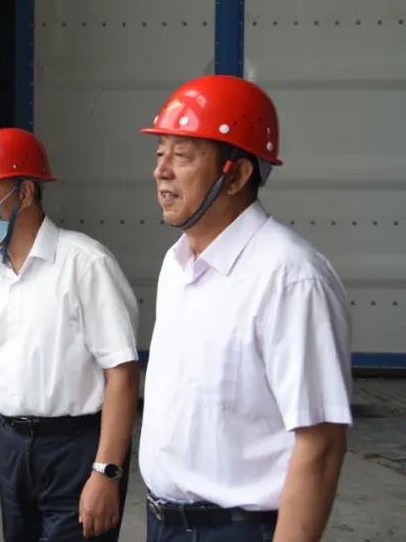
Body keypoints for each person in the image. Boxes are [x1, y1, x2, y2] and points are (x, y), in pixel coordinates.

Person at [139, 75, 352, 542]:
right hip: (164, 523)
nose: (161, 171)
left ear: (235, 175)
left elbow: (320, 444)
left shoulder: (290, 278)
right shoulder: (177, 264)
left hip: (238, 530)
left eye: (182, 156)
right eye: (159, 153)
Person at [0, 128, 139, 542]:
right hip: (13, 450)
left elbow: (122, 373)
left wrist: (106, 472)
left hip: (76, 450)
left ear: (24, 193)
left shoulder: (84, 263)